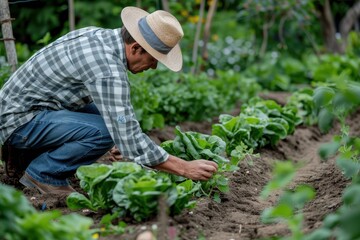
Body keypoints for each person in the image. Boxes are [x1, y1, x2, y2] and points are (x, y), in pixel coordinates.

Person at [0, 6, 218, 194]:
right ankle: (44, 173)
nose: (153, 67)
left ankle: (23, 158)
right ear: (135, 48)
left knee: (105, 119)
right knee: (106, 130)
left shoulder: (99, 37)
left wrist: (120, 139)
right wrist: (183, 168)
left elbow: (117, 118)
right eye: (152, 60)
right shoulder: (107, 69)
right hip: (18, 123)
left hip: (23, 112)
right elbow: (127, 134)